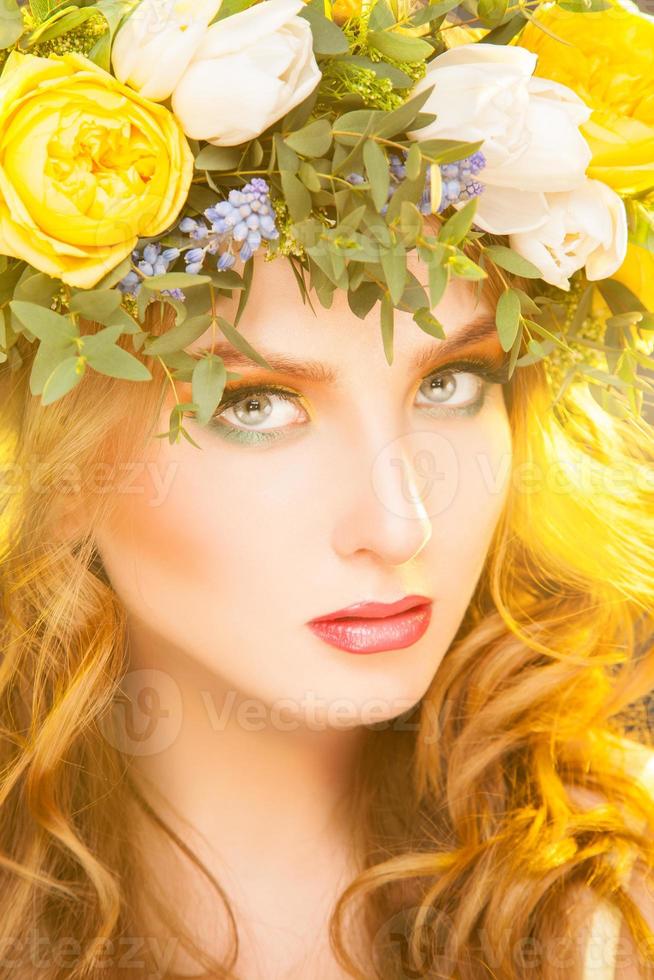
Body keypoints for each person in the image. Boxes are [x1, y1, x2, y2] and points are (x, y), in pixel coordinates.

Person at [0, 0, 653, 977]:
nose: (400, 524)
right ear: (48, 454)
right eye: (257, 404)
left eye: (450, 382)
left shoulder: (619, 914)